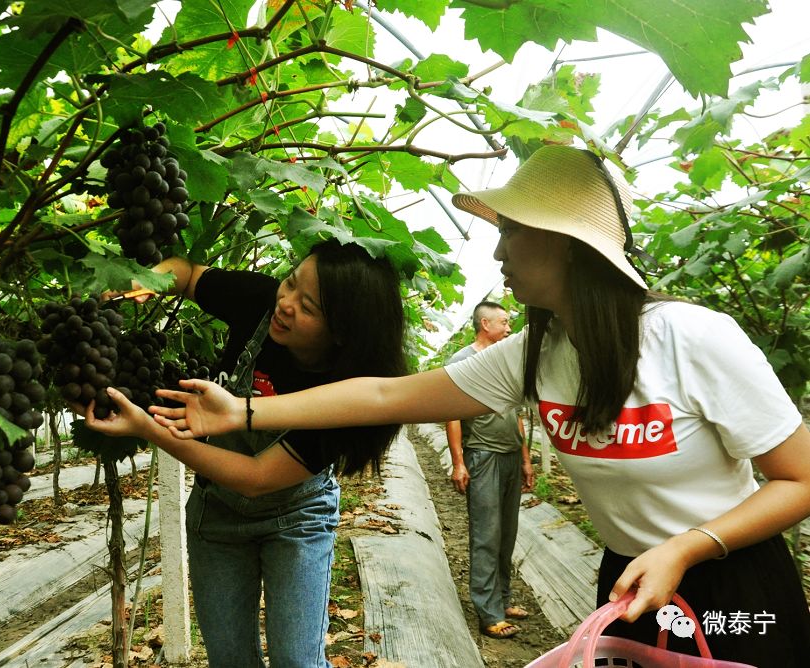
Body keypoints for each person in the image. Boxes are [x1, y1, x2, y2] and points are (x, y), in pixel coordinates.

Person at [148, 145, 810, 666]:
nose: (497, 249)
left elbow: (800, 478)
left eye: (514, 231)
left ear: (568, 245)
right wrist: (243, 414)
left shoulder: (691, 338)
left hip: (732, 580)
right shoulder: (536, 353)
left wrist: (690, 548)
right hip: (628, 579)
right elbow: (384, 395)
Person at [81, 239, 407, 668]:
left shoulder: (348, 398)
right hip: (215, 513)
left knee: (296, 661)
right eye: (290, 283)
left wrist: (148, 429)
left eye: (307, 307)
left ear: (343, 331)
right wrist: (149, 281)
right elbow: (188, 273)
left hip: (296, 516)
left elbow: (256, 476)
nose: (285, 303)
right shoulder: (260, 300)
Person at [445, 301, 534, 640]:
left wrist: (526, 459)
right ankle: (489, 611)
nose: (509, 327)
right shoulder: (464, 360)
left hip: (511, 455)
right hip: (482, 456)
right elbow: (452, 413)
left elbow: (517, 414)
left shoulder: (506, 360)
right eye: (504, 321)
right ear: (485, 323)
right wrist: (458, 461)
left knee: (507, 533)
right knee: (487, 533)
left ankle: (503, 598)